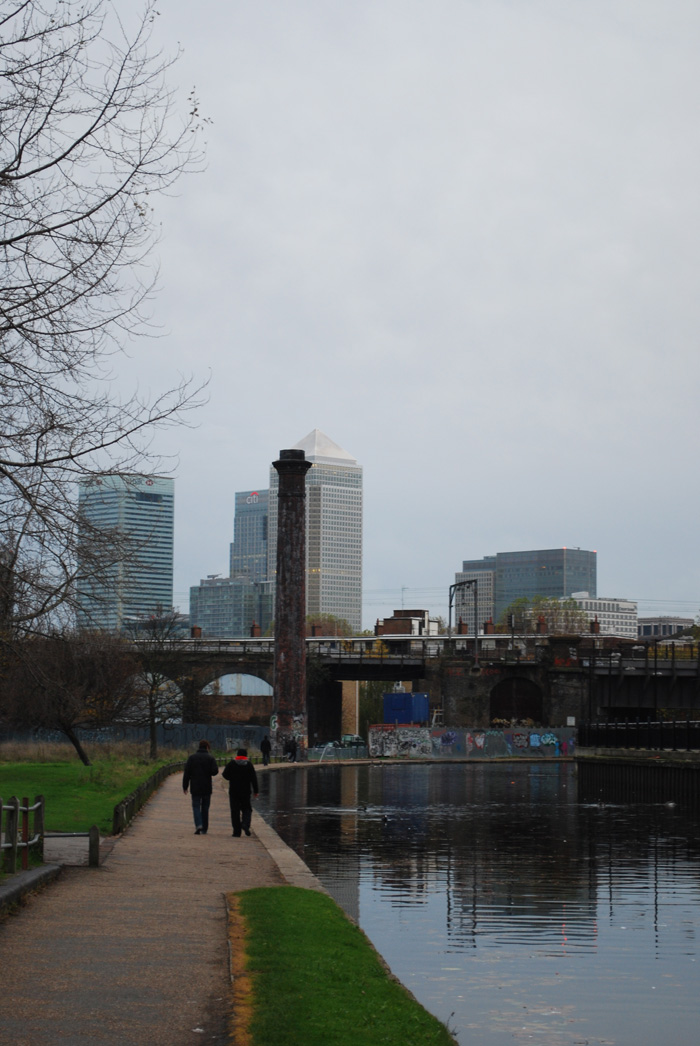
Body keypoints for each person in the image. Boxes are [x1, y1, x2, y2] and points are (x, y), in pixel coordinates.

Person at [182, 739, 219, 835]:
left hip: (195, 786)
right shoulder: (210, 758)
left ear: (199, 747)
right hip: (206, 786)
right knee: (205, 808)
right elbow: (215, 771)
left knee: (196, 806)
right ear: (207, 747)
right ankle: (205, 828)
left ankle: (198, 824)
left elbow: (187, 773)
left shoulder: (192, 758)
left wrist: (185, 786)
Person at [222, 748, 259, 837]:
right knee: (247, 809)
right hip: (245, 791)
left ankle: (236, 832)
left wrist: (231, 778)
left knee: (235, 811)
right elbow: (254, 779)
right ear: (246, 756)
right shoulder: (249, 765)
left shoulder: (232, 764)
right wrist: (256, 791)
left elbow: (224, 774)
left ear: (237, 755)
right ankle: (245, 824)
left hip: (234, 791)